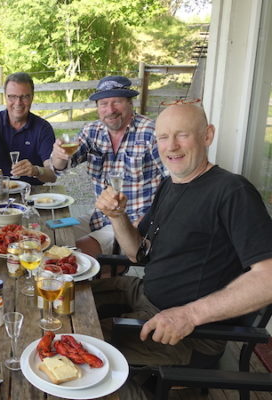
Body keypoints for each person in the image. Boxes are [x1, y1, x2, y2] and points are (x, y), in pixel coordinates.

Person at [93, 104, 272, 399]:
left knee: (85, 349)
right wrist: (116, 216)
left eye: (182, 135)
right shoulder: (170, 184)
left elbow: (267, 278)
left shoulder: (232, 191)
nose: (171, 146)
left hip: (188, 334)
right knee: (65, 297)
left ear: (207, 135)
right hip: (145, 293)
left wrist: (189, 315)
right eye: (163, 137)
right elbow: (137, 254)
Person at [51, 75, 167, 257]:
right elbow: (61, 166)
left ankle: (108, 278)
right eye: (103, 103)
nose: (110, 110)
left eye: (117, 102)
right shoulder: (92, 131)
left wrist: (148, 221)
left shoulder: (150, 132)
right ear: (98, 108)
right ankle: (106, 278)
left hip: (131, 225)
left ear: (130, 103)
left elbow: (173, 183)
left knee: (71, 254)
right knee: (49, 235)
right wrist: (59, 155)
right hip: (98, 216)